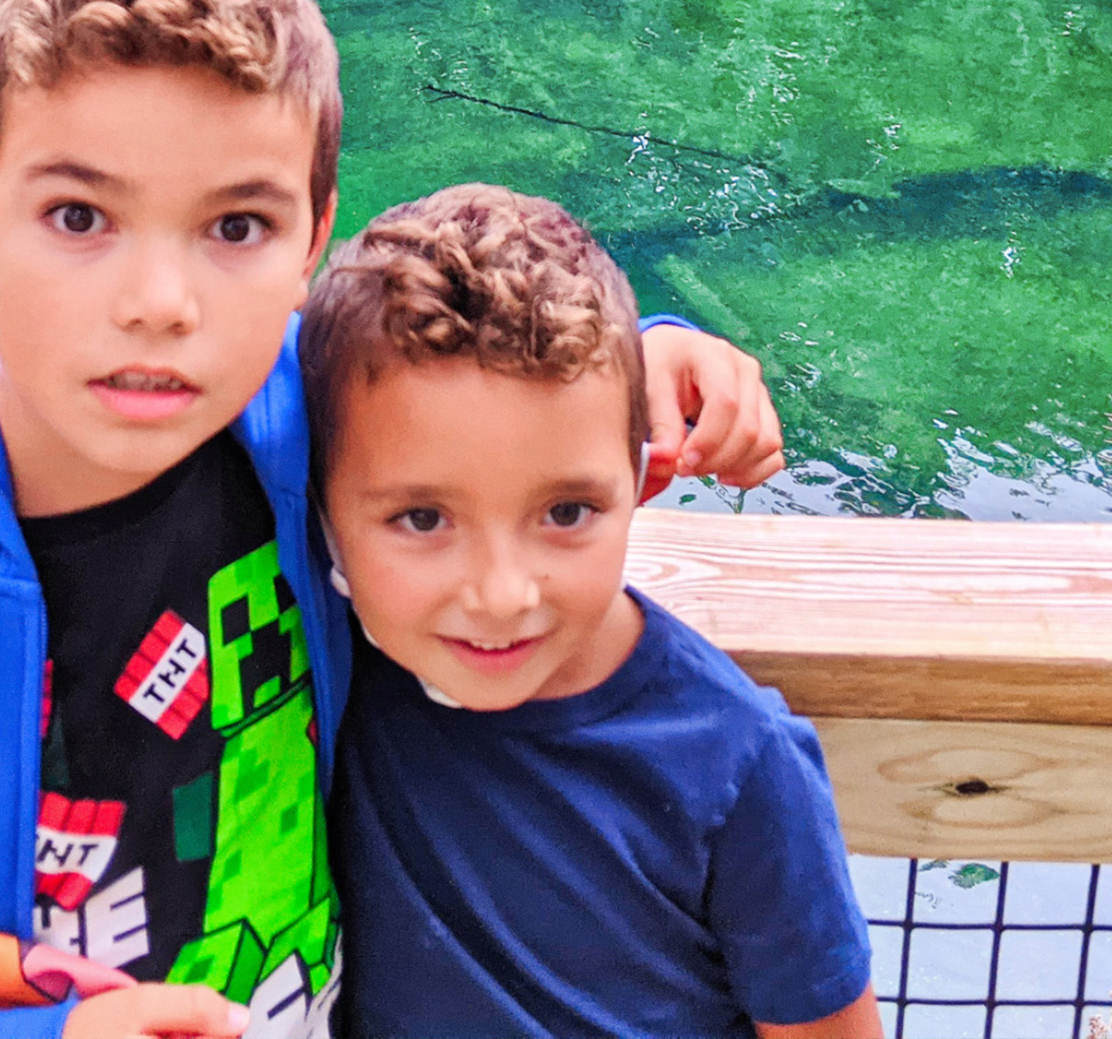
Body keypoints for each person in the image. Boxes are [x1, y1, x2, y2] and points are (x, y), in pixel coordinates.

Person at [0, 0, 781, 1039]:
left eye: (236, 228)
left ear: (311, 238)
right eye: (80, 217)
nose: (161, 306)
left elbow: (464, 365)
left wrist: (651, 362)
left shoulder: (302, 416)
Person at [303, 186, 878, 1039]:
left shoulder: (737, 761)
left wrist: (659, 344)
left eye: (565, 512)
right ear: (320, 514)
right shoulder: (339, 653)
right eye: (423, 520)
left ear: (643, 480)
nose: (502, 594)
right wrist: (661, 341)